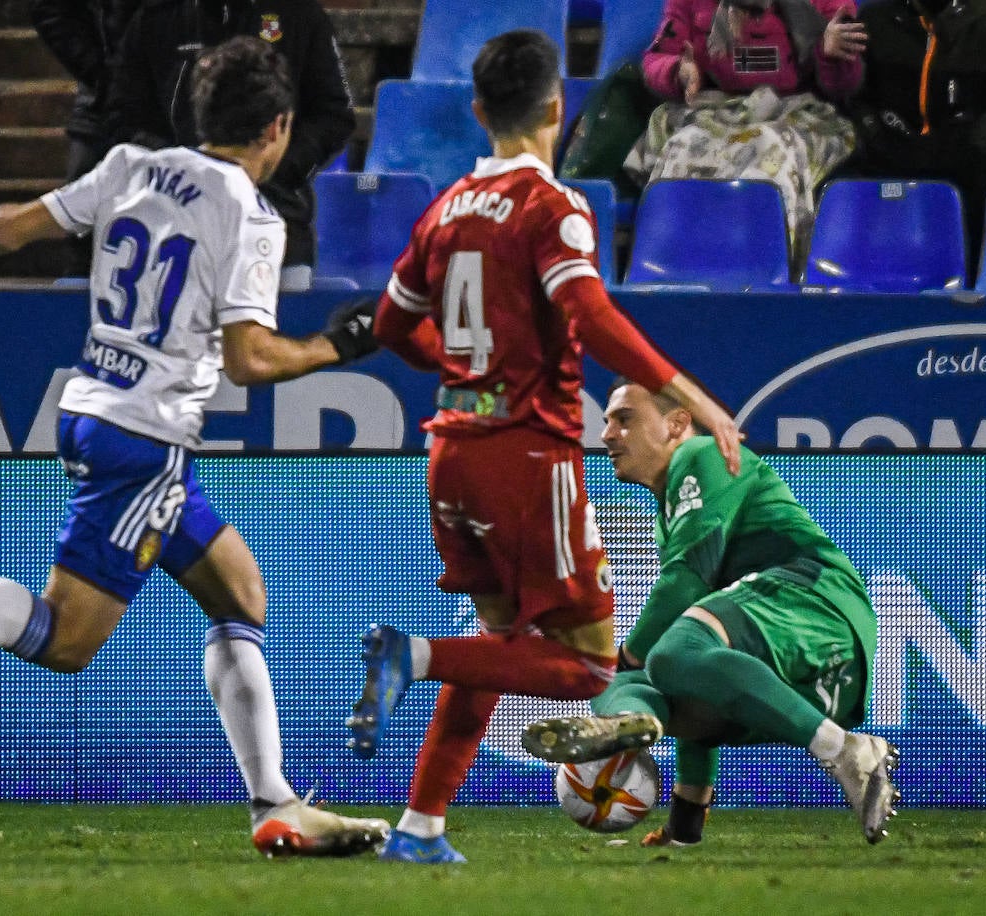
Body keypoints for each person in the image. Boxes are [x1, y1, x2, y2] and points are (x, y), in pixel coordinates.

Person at [0, 37, 388, 860]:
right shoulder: (249, 212)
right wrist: (338, 346)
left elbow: (9, 228)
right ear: (277, 127)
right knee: (64, 641)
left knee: (240, 591)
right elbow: (251, 358)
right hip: (148, 439)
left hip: (96, 409)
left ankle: (274, 805)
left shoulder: (131, 164)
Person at [350, 29, 744, 865]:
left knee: (499, 651)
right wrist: (694, 397)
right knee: (593, 670)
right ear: (560, 108)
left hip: (449, 451)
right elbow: (591, 316)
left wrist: (462, 372)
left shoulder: (444, 208)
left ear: (478, 110)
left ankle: (421, 827)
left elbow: (389, 326)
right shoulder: (552, 204)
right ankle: (410, 654)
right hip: (527, 458)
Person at [520, 377, 899, 847]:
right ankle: (628, 722)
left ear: (677, 423)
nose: (607, 435)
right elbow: (699, 675)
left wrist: (626, 655)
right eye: (606, 423)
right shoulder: (670, 507)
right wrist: (684, 829)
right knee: (649, 675)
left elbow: (686, 580)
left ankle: (846, 752)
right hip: (805, 692)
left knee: (658, 658)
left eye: (624, 419)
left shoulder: (700, 456)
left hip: (817, 607)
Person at [106, 0, 355, 291]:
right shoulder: (155, 18)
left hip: (276, 226)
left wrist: (272, 171)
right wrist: (186, 170)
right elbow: (123, 118)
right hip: (173, 234)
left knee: (271, 334)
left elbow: (334, 115)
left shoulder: (299, 13)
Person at [627, 0, 867, 259]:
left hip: (798, 114)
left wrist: (829, 55)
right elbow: (658, 57)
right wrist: (678, 71)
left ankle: (767, 265)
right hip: (720, 109)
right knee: (682, 148)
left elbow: (844, 87)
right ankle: (673, 265)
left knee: (772, 155)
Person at [846, 0, 986, 278]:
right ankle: (860, 285)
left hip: (966, 152)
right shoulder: (875, 21)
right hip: (894, 145)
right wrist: (873, 128)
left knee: (985, 190)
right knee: (840, 186)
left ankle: (974, 288)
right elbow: (854, 94)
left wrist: (983, 136)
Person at [29, 0, 145, 182]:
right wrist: (99, 72)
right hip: (102, 101)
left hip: (169, 100)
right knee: (79, 196)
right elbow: (50, 10)